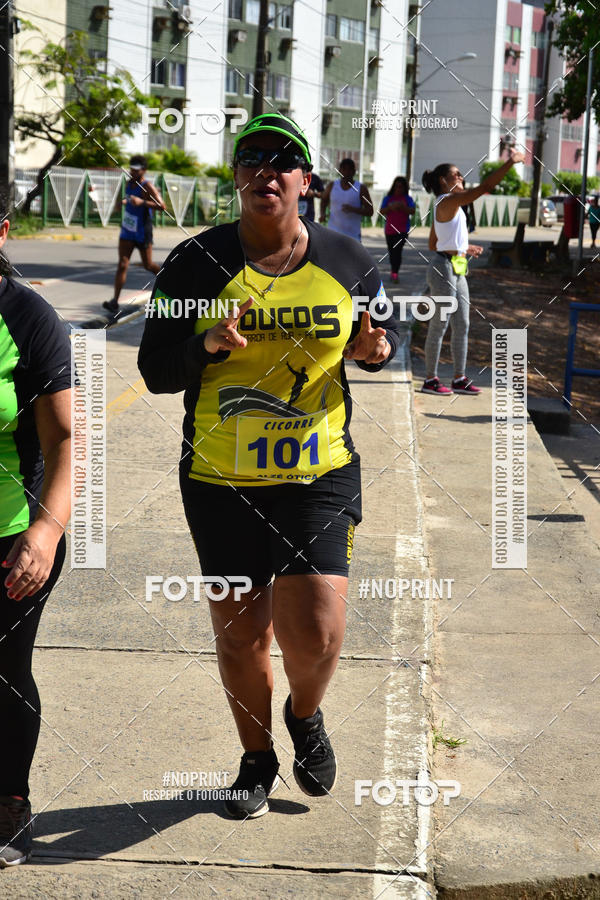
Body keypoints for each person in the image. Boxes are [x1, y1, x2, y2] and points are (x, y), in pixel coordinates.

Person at [138, 112, 400, 820]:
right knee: (241, 631)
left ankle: (304, 713)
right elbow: (155, 369)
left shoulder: (350, 261)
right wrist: (206, 349)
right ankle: (255, 760)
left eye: (284, 160)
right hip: (220, 479)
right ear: (237, 177)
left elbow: (383, 340)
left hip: (319, 470)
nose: (268, 171)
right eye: (252, 158)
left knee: (315, 630)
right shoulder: (195, 264)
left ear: (305, 181)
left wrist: (374, 353)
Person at [0, 208, 71, 867]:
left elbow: (64, 441)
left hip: (14, 533)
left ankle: (9, 801)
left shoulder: (27, 319)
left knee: (2, 671)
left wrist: (46, 533)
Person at [421, 147, 525, 395]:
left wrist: (463, 248)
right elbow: (484, 188)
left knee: (463, 323)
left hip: (455, 266)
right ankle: (430, 380)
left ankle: (459, 378)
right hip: (442, 270)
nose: (461, 178)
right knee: (440, 325)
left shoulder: (450, 206)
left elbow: (434, 243)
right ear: (442, 181)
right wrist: (510, 162)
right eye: (456, 175)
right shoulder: (447, 201)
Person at [103, 155, 166, 317]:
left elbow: (162, 206)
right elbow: (127, 197)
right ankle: (114, 301)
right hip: (127, 230)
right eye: (131, 169)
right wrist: (123, 202)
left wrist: (142, 203)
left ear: (143, 171)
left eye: (136, 170)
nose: (133, 172)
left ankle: (167, 280)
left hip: (142, 230)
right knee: (122, 264)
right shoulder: (128, 183)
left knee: (148, 264)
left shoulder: (147, 186)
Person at [319, 158, 373, 242]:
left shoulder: (361, 188)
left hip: (353, 237)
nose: (347, 172)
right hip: (333, 234)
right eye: (344, 169)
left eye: (350, 170)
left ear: (354, 171)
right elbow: (323, 200)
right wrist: (322, 214)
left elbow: (370, 211)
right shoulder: (332, 186)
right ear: (340, 171)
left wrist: (353, 209)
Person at [379, 176, 415, 282]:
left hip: (402, 230)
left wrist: (402, 207)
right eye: (397, 186)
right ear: (393, 187)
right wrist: (390, 207)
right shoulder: (388, 198)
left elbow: (412, 211)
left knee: (397, 252)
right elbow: (381, 211)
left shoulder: (408, 199)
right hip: (390, 230)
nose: (399, 189)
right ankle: (393, 270)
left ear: (405, 188)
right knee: (391, 252)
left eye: (401, 187)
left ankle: (395, 273)